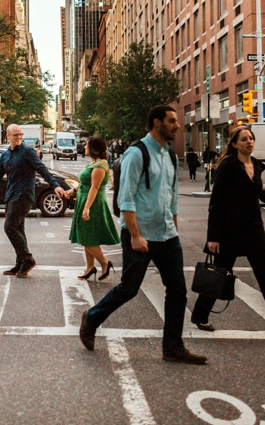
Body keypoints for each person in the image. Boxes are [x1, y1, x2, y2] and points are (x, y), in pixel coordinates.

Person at [79, 106, 207, 364]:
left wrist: (175, 231)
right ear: (156, 123)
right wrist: (135, 235)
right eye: (172, 121)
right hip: (140, 235)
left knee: (178, 291)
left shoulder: (170, 155)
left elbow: (171, 200)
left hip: (167, 236)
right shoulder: (136, 154)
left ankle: (172, 347)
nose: (177, 126)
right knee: (129, 289)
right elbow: (126, 199)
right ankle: (91, 318)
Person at [190, 126, 265, 343]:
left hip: (254, 231)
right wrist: (213, 237)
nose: (249, 142)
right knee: (219, 275)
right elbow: (217, 203)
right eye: (244, 139)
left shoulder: (257, 166)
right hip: (229, 232)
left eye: (251, 138)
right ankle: (200, 315)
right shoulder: (227, 166)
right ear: (234, 144)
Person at [0, 124, 70, 278]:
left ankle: (28, 259)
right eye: (16, 135)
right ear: (8, 136)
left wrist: (55, 186)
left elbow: (42, 169)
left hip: (24, 195)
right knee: (18, 229)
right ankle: (20, 263)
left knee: (9, 227)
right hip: (11, 195)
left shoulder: (28, 152)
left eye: (21, 134)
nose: (19, 137)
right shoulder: (5, 156)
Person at [67, 136, 120, 281]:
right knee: (87, 235)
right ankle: (90, 267)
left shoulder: (100, 165)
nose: (84, 147)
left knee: (86, 236)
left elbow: (95, 188)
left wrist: (87, 208)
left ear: (94, 148)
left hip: (93, 202)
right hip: (85, 199)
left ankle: (104, 263)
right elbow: (85, 183)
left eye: (87, 145)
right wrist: (73, 190)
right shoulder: (93, 163)